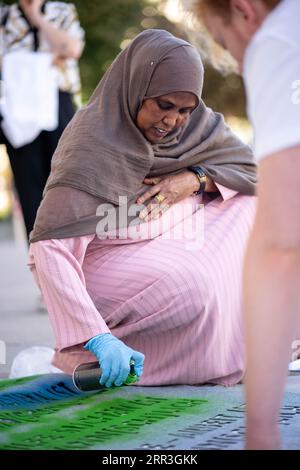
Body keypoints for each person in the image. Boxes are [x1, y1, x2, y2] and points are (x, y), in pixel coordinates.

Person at [28, 29, 257, 390]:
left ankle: (237, 350)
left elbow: (252, 171)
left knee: (259, 207)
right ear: (136, 88)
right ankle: (117, 356)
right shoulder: (93, 143)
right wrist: (94, 336)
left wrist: (195, 179)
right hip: (104, 259)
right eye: (163, 105)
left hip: (171, 235)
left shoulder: (199, 128)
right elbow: (49, 249)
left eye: (185, 109)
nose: (172, 122)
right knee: (193, 286)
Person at [188, 0, 300, 449]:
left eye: (222, 41)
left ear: (244, 10)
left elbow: (279, 245)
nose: (235, 61)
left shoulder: (277, 39)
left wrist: (260, 430)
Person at [0, 0, 84, 239]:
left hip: (59, 103)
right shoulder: (4, 16)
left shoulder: (62, 10)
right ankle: (40, 258)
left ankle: (72, 252)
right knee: (30, 190)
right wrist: (47, 60)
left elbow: (72, 50)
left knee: (66, 182)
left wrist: (36, 16)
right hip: (19, 108)